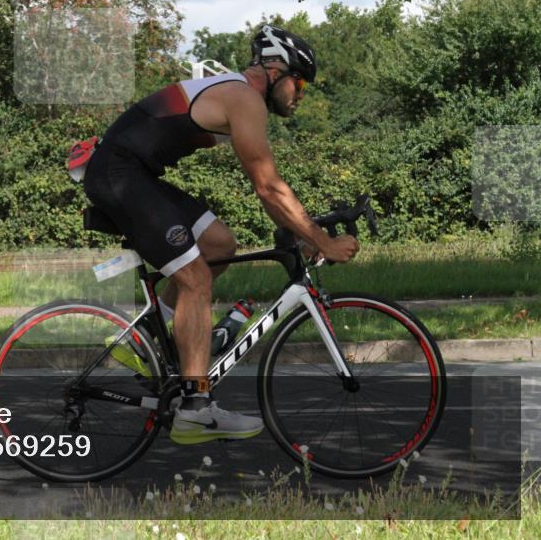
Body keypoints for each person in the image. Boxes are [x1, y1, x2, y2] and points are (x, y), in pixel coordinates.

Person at [83, 25, 359, 444]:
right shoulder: (244, 97)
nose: (301, 95)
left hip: (131, 172)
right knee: (195, 279)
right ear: (275, 69)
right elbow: (268, 186)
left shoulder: (230, 93)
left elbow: (266, 189)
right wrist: (323, 242)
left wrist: (302, 230)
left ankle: (150, 344)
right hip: (120, 175)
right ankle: (196, 409)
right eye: (300, 83)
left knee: (218, 245)